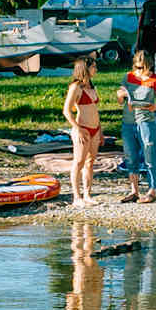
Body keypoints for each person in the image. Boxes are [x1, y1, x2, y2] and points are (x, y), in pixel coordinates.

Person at [116, 49, 156, 203]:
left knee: (149, 153)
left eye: (142, 67)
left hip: (146, 120)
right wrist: (120, 95)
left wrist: (154, 107)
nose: (139, 70)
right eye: (136, 67)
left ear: (149, 66)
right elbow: (119, 98)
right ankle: (134, 190)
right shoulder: (128, 77)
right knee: (131, 156)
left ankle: (152, 190)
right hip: (128, 121)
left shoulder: (155, 80)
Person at [62, 57, 101, 206]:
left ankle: (87, 194)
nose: (95, 69)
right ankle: (76, 197)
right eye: (93, 67)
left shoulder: (91, 85)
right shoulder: (75, 87)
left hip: (96, 129)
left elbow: (95, 110)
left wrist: (100, 131)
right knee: (78, 162)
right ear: (85, 68)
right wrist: (77, 129)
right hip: (82, 129)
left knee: (90, 163)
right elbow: (66, 111)